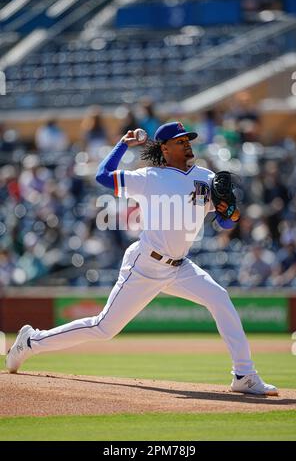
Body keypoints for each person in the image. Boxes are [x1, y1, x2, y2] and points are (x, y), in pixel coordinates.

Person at [6, 122, 278, 396]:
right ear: (165, 147)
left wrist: (230, 213)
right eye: (180, 140)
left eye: (188, 139)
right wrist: (123, 144)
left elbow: (227, 223)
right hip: (146, 265)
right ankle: (31, 341)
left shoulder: (207, 178)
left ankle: (244, 374)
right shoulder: (150, 177)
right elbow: (103, 176)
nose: (187, 143)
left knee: (219, 298)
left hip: (180, 266)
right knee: (103, 328)